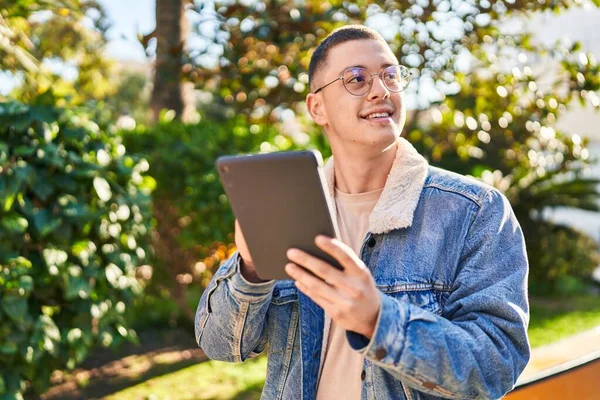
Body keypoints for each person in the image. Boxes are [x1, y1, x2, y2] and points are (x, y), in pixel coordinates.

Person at [195, 25, 530, 400]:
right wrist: (252, 270)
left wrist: (378, 321)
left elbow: (497, 366)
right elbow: (220, 345)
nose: (380, 90)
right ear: (317, 107)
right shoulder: (289, 211)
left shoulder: (473, 211)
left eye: (390, 75)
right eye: (356, 78)